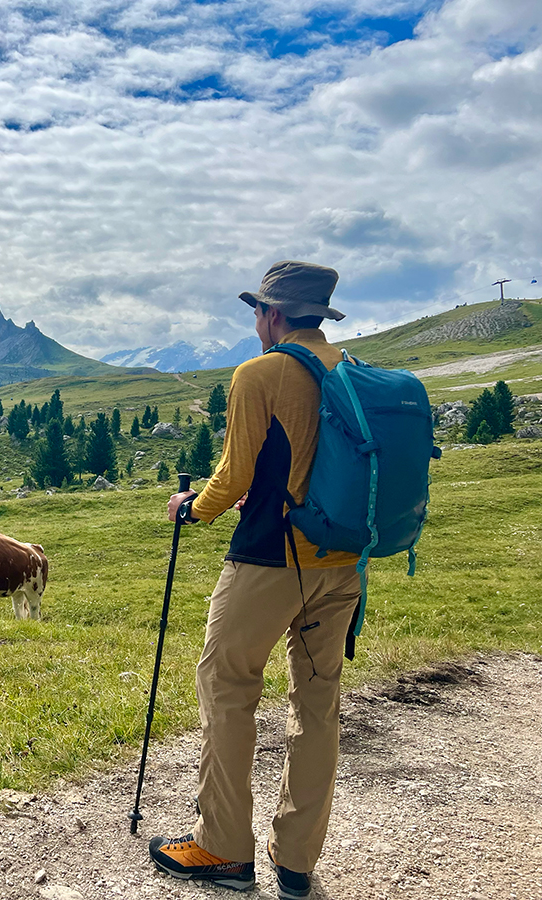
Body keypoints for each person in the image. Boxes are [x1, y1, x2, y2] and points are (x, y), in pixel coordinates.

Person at [148, 261, 362, 899]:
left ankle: (223, 848)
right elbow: (311, 468)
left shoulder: (260, 373)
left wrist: (192, 508)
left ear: (272, 315)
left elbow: (235, 471)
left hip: (270, 563)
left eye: (258, 313)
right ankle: (296, 862)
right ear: (318, 316)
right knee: (317, 705)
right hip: (342, 565)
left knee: (228, 684)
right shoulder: (349, 371)